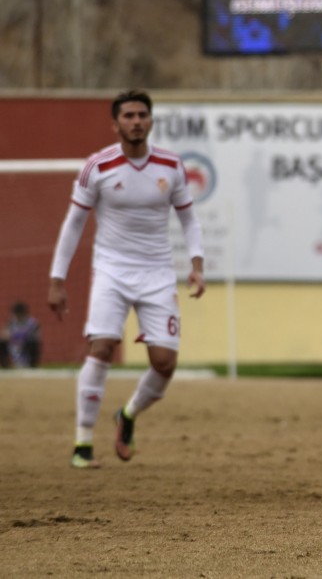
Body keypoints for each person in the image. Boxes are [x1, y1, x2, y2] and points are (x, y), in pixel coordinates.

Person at [48, 89, 206, 470]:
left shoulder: (171, 166)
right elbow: (74, 224)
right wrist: (57, 279)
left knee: (165, 362)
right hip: (112, 272)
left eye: (142, 115)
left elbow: (188, 219)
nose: (136, 121)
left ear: (150, 121)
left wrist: (197, 265)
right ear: (115, 123)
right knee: (100, 349)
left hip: (157, 274)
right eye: (129, 115)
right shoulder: (97, 166)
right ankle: (83, 444)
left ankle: (129, 414)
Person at [2, 302, 41, 368]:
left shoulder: (32, 323)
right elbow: (4, 335)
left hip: (26, 347)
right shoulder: (11, 323)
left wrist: (18, 337)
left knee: (33, 344)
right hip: (14, 347)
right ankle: (6, 368)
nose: (17, 316)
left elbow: (36, 337)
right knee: (2, 344)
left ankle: (32, 366)